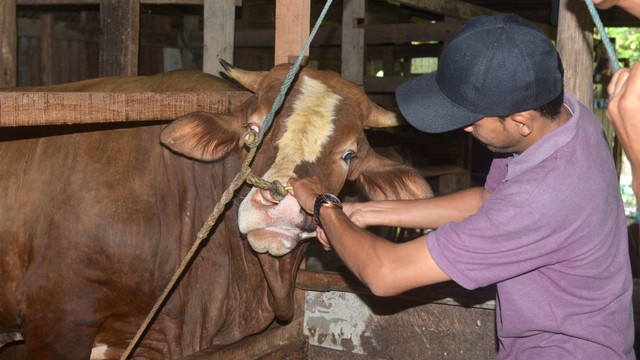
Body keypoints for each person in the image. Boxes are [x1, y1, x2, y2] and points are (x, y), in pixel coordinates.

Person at [288, 13, 635, 359]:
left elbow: (385, 272)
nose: (464, 129)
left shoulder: (541, 197)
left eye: (471, 120)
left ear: (521, 121)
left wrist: (324, 206)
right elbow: (487, 200)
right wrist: (363, 211)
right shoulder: (568, 117)